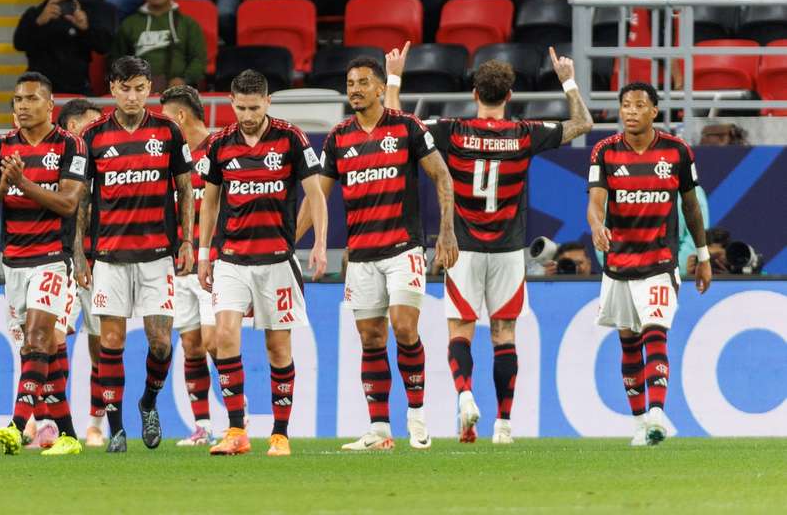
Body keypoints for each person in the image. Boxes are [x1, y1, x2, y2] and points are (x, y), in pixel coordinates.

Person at [395, 44, 592, 444]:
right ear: (509, 96)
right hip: (508, 249)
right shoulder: (525, 133)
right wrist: (567, 79)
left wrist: (396, 76)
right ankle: (503, 424)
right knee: (504, 335)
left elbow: (399, 121)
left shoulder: (451, 130)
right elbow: (583, 123)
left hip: (463, 246)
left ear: (474, 95)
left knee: (460, 332)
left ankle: (465, 396)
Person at [297, 53, 459, 452]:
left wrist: (447, 232)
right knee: (371, 339)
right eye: (350, 83)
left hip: (403, 248)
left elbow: (441, 174)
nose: (354, 89)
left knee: (404, 328)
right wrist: (292, 240)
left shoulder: (406, 127)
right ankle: (379, 429)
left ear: (379, 87)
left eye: (362, 82)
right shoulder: (338, 136)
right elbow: (318, 193)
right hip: (362, 256)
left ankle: (418, 417)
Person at [197, 69, 328, 457]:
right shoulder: (220, 143)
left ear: (268, 102)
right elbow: (209, 202)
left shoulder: (291, 138)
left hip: (277, 260)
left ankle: (280, 434)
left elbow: (316, 195)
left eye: (255, 107)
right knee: (223, 338)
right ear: (232, 103)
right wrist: (205, 253)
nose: (248, 115)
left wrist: (320, 243)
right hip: (232, 258)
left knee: (277, 348)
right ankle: (236, 430)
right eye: (241, 108)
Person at [75, 56, 195, 453]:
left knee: (160, 343)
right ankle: (117, 429)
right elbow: (81, 203)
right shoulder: (92, 136)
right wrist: (80, 254)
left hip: (157, 255)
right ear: (112, 89)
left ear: (150, 90)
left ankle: (148, 402)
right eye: (124, 88)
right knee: (111, 343)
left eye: (140, 88)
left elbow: (185, 188)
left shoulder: (167, 132)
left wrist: (187, 241)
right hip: (109, 256)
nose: (132, 96)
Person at [587, 81, 712, 447]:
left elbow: (690, 205)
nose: (630, 112)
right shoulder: (604, 152)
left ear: (654, 111)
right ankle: (641, 423)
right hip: (619, 263)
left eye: (639, 105)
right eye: (625, 105)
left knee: (655, 330)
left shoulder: (676, 152)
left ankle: (657, 413)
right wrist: (597, 226)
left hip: (659, 260)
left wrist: (703, 256)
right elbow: (596, 202)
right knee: (628, 342)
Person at [0, 72, 87, 457]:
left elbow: (69, 204)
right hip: (15, 263)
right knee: (39, 351)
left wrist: (24, 183)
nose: (22, 105)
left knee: (40, 336)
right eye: (18, 99)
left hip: (53, 258)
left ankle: (17, 424)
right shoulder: (0, 146)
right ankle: (69, 434)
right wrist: (5, 186)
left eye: (31, 99)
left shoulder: (72, 145)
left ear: (50, 104)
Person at [158, 85, 219, 447]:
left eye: (164, 117)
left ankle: (235, 415)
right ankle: (203, 426)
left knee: (216, 341)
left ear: (180, 116)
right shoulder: (169, 159)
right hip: (179, 266)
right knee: (192, 345)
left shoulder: (219, 149)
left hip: (213, 266)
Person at [55, 98, 107, 447]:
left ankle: (94, 424)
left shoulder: (103, 162)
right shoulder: (54, 161)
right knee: (51, 341)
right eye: (92, 124)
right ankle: (46, 418)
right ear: (74, 127)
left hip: (101, 263)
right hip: (59, 263)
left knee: (101, 346)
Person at [13, 0, 113, 95]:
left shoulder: (84, 12)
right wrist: (39, 23)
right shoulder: (33, 14)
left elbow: (104, 47)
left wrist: (85, 28)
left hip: (78, 88)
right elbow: (19, 44)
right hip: (40, 90)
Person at [110, 0, 207, 92]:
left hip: (178, 92)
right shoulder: (129, 23)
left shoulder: (188, 24)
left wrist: (184, 80)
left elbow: (198, 60)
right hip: (137, 93)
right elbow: (117, 60)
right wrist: (129, 82)